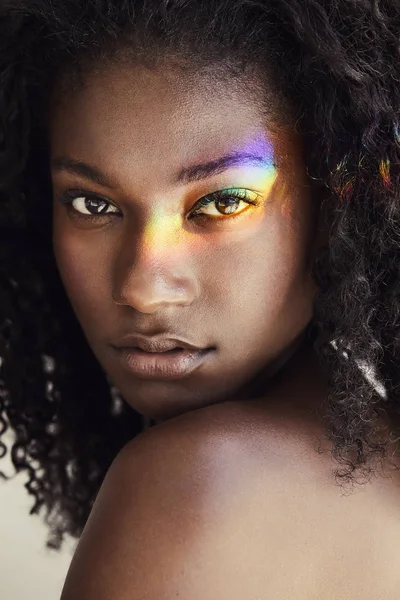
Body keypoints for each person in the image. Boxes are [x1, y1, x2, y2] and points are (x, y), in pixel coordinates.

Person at [1, 0, 400, 597]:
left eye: (222, 203)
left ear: (335, 204)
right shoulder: (371, 457)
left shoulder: (194, 486)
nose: (143, 287)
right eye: (92, 204)